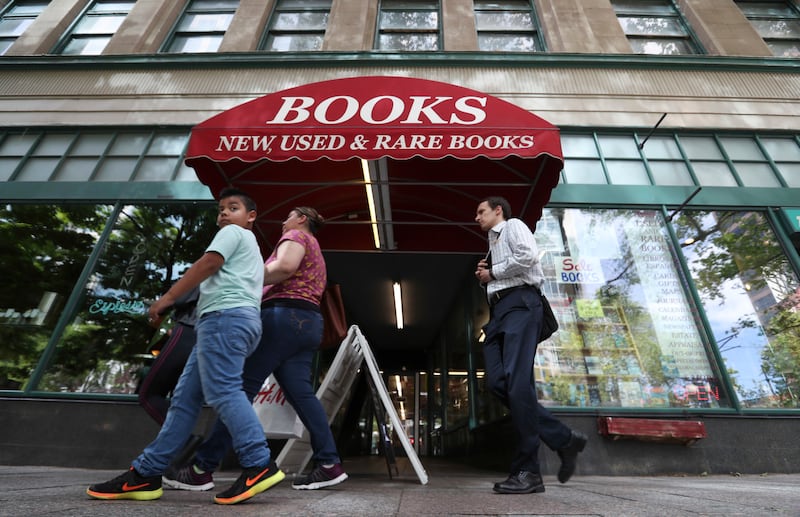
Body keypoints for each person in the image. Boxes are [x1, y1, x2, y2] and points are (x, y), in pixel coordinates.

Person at [87, 188, 284, 505]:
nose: (223, 213)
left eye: (232, 208)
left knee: (223, 390)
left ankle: (258, 462)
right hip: (223, 322)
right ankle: (147, 474)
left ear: (251, 216)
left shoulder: (234, 233)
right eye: (220, 209)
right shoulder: (252, 250)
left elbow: (207, 263)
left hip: (225, 320)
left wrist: (167, 298)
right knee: (184, 400)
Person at [164, 206, 347, 492]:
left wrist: (242, 278)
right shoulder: (317, 250)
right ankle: (328, 463)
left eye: (289, 215)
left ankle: (202, 467)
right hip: (307, 322)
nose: (284, 221)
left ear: (301, 219)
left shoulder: (296, 236)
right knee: (302, 396)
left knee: (237, 390)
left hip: (280, 318)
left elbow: (284, 267)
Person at [474, 196, 587, 495]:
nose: (477, 217)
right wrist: (485, 278)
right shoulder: (493, 243)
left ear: (498, 210)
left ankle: (528, 471)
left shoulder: (512, 226)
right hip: (500, 313)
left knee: (516, 382)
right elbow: (505, 271)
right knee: (498, 382)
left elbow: (528, 256)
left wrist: (493, 273)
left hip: (521, 305)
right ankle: (563, 438)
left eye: (481, 211)